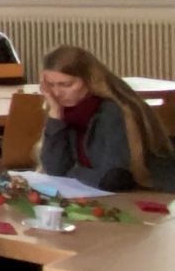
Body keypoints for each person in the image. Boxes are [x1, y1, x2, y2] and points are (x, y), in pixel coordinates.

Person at [37, 45, 175, 191]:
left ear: (89, 80)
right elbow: (55, 169)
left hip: (151, 192)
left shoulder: (113, 111)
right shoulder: (69, 111)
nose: (57, 93)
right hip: (98, 190)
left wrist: (73, 172)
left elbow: (115, 177)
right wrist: (55, 116)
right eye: (50, 85)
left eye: (66, 84)